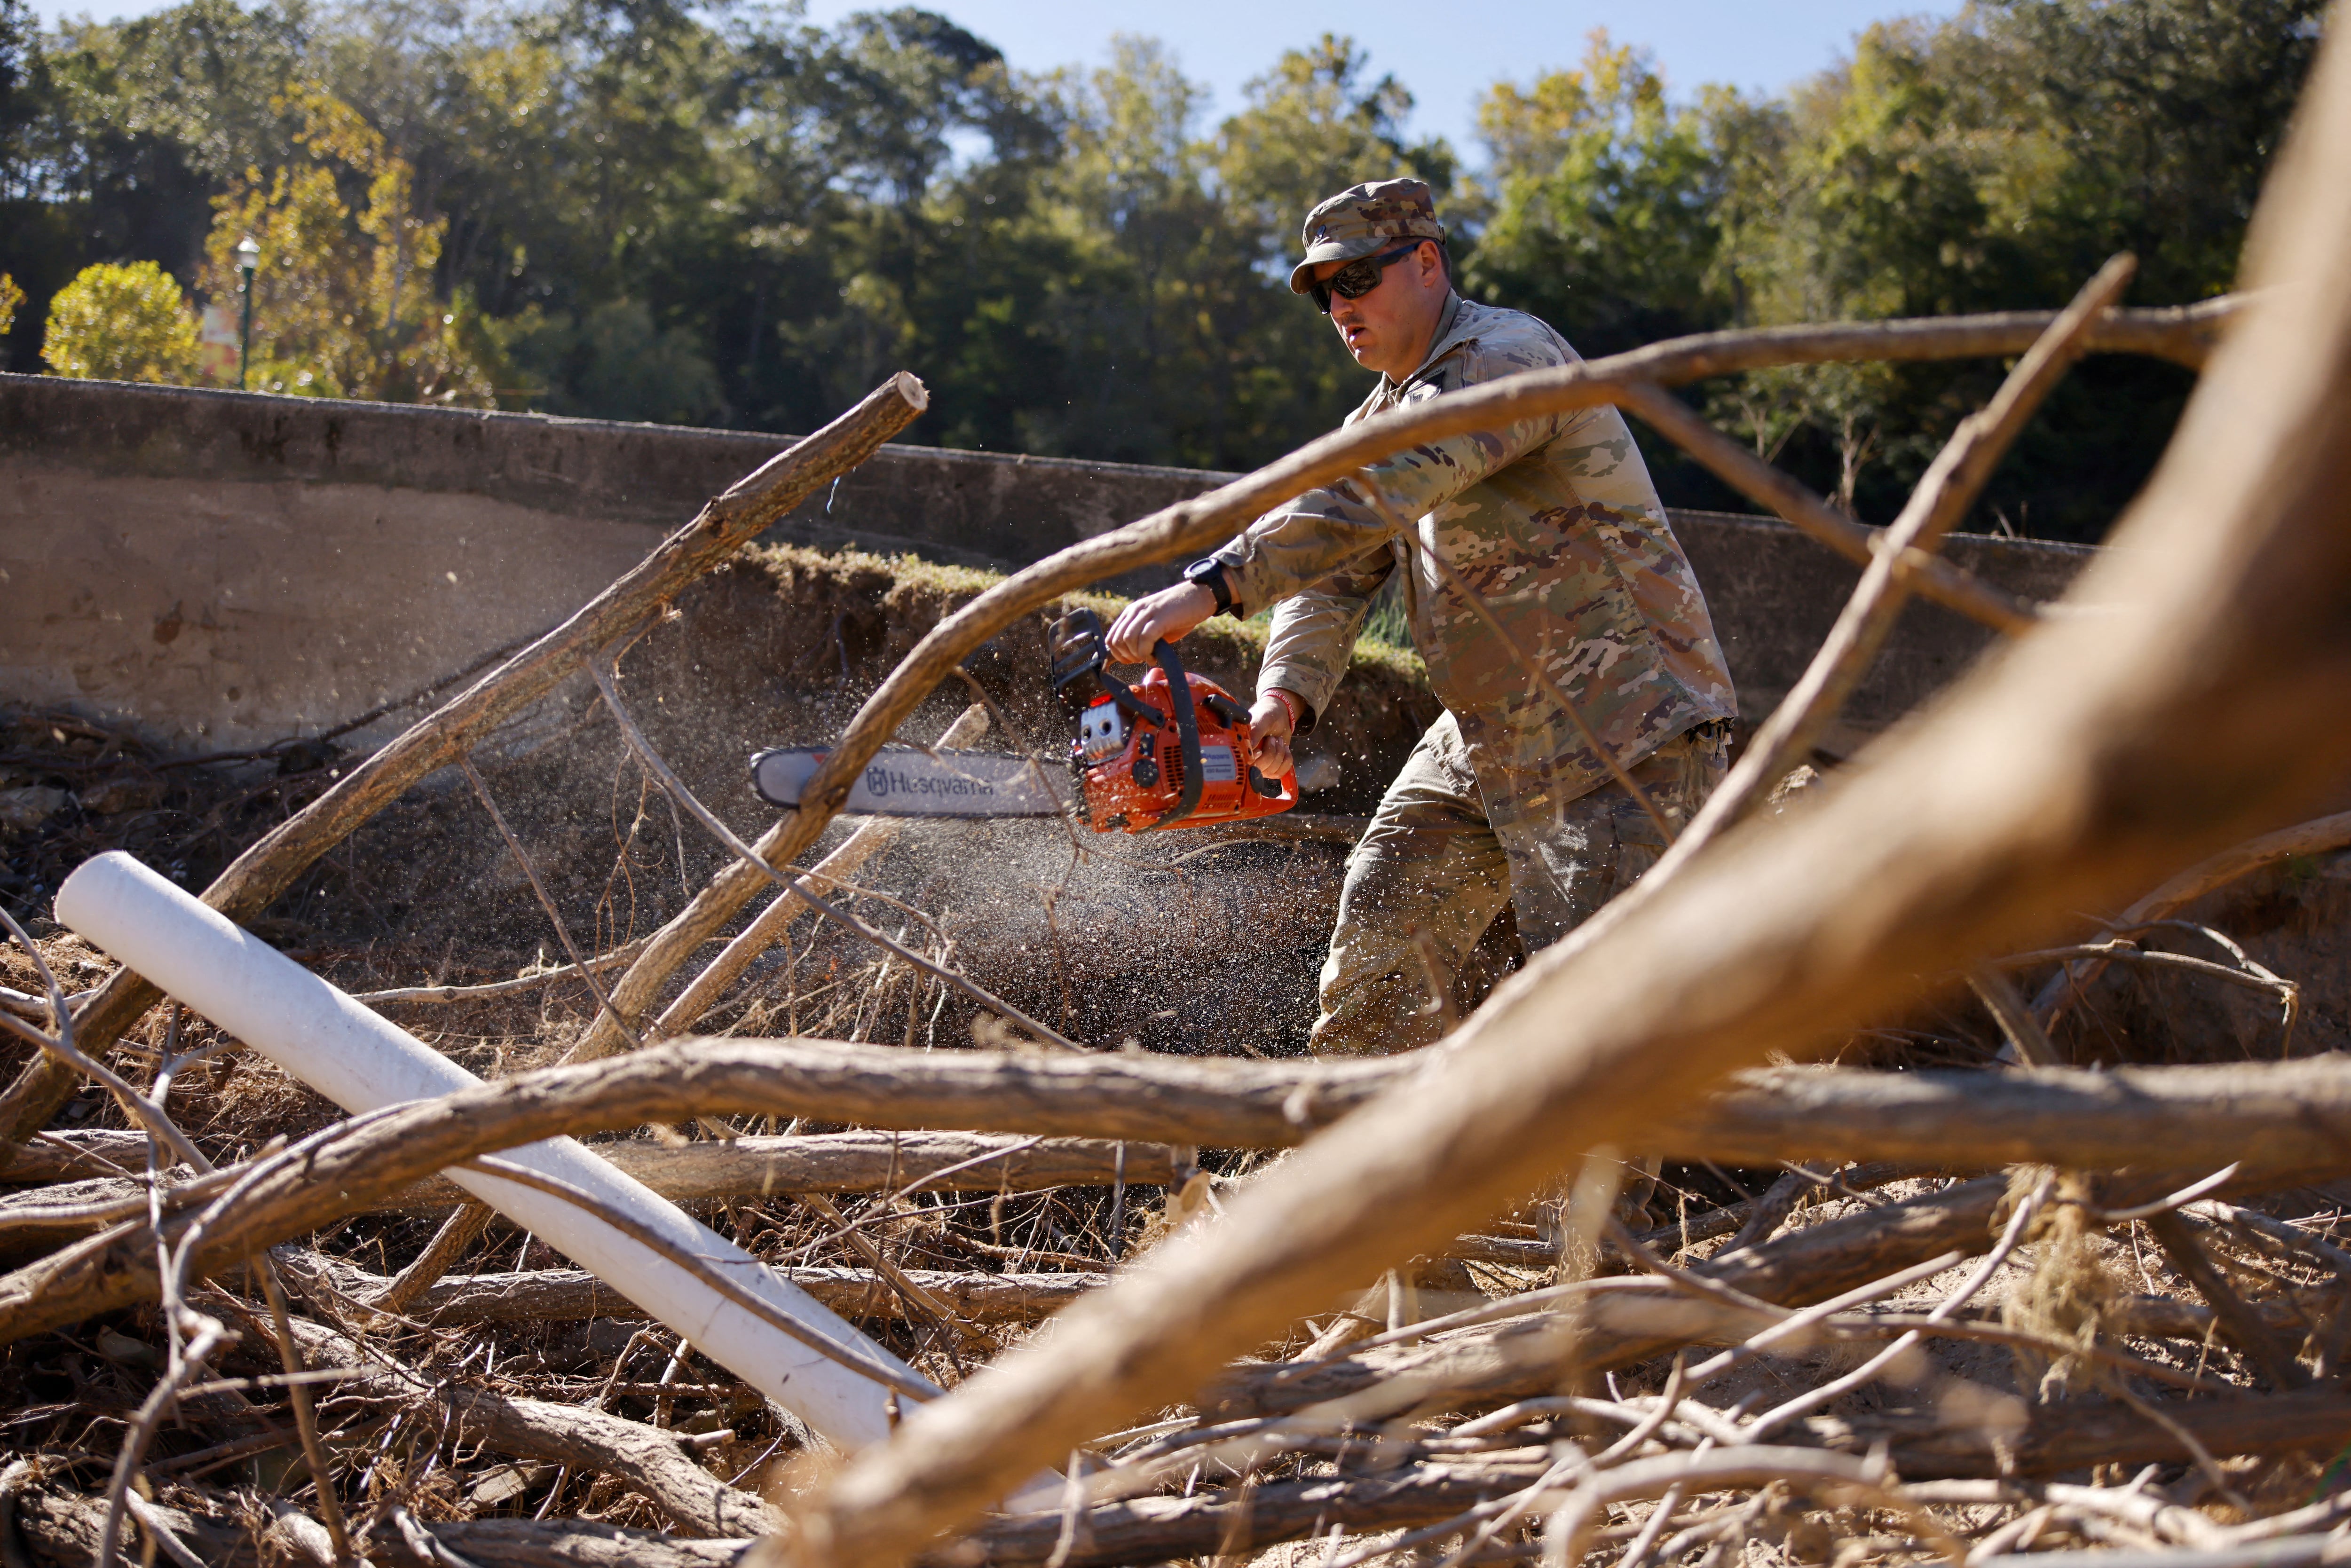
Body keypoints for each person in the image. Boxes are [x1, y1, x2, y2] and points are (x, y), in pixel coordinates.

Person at [1105, 177, 1738, 1056]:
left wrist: (1213, 586)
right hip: (1489, 730)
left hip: (1621, 728)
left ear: (1428, 262)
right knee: (1380, 943)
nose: (1339, 306)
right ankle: (1352, 1170)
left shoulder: (1509, 358)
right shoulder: (1378, 416)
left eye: (1356, 279)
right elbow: (1333, 578)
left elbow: (1377, 491)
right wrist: (1283, 700)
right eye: (1325, 291)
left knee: (1600, 1026)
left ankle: (1615, 1198)